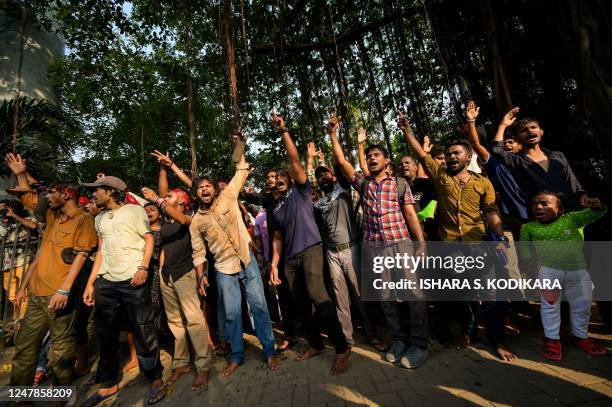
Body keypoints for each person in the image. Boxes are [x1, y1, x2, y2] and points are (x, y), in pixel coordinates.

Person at [399, 111, 517, 362]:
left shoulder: (483, 183)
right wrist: (407, 131)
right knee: (462, 294)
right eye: (449, 154)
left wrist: (498, 240)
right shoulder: (440, 178)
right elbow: (422, 154)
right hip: (451, 246)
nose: (452, 158)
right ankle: (469, 331)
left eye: (457, 154)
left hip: (480, 244)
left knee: (490, 294)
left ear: (469, 157)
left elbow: (491, 212)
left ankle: (497, 340)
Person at [329, 113, 429, 369]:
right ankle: (398, 340)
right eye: (369, 156)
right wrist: (333, 134)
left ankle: (418, 345)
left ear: (387, 161)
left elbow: (410, 214)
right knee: (385, 295)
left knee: (413, 294)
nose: (372, 159)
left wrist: (421, 242)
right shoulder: (363, 184)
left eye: (377, 156)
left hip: (401, 244)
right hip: (374, 248)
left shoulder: (399, 184)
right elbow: (341, 161)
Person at [189, 134, 280, 378]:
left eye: (207, 185)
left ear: (213, 189)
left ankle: (270, 350)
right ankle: (236, 356)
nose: (205, 188)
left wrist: (238, 145)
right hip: (223, 269)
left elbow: (241, 169)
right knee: (231, 314)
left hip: (247, 260)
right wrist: (200, 276)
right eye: (200, 187)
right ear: (196, 194)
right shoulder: (196, 222)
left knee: (259, 306)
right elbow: (198, 252)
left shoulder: (228, 195)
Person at [6, 154, 98, 388]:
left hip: (59, 296)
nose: (47, 197)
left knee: (60, 352)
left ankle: (59, 395)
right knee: (25, 348)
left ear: (66, 195)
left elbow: (81, 256)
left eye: (52, 194)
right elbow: (30, 198)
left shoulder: (84, 220)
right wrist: (20, 174)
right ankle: (21, 398)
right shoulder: (52, 216)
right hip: (37, 296)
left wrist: (64, 291)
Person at [269, 113, 350, 375]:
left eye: (284, 176)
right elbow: (278, 237)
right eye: (275, 177)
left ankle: (341, 349)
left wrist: (284, 132)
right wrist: (274, 263)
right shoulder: (275, 207)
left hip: (312, 249)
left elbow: (294, 160)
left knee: (319, 296)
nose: (280, 178)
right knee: (300, 305)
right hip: (290, 260)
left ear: (291, 179)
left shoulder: (301, 191)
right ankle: (316, 344)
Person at [82, 175, 165, 405]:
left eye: (97, 190)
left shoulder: (134, 211)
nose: (93, 194)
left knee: (143, 330)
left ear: (110, 191)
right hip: (106, 282)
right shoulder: (99, 218)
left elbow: (149, 239)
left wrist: (143, 267)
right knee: (105, 334)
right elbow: (101, 251)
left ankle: (155, 378)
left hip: (133, 279)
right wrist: (91, 282)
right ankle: (109, 384)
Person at [142, 164, 211, 391]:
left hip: (185, 272)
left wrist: (158, 199)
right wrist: (162, 169)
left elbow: (180, 218)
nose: (164, 197)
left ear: (181, 201)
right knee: (175, 322)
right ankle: (181, 363)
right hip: (166, 275)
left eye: (170, 196)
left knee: (193, 319)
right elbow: (162, 196)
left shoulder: (190, 217)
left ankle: (202, 366)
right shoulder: (164, 222)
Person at [520, 192, 608, 360]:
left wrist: (597, 206)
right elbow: (525, 250)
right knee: (550, 307)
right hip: (549, 273)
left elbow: (597, 212)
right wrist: (528, 269)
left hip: (579, 273)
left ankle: (581, 337)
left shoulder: (573, 219)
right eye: (535, 204)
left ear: (560, 209)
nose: (538, 207)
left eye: (545, 203)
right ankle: (552, 340)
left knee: (582, 307)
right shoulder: (528, 228)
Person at [312, 156, 384, 352]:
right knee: (340, 299)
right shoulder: (319, 204)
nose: (323, 177)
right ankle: (347, 340)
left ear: (334, 176)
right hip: (332, 254)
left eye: (326, 173)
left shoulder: (342, 190)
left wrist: (325, 156)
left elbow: (342, 167)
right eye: (319, 176)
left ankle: (372, 334)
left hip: (351, 250)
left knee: (360, 295)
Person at [490, 109, 593, 212]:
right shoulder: (516, 160)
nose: (530, 131)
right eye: (524, 130)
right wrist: (503, 125)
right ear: (517, 139)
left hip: (571, 210)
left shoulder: (558, 156)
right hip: (541, 217)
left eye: (533, 127)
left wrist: (582, 195)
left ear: (541, 132)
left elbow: (572, 181)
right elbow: (497, 149)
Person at [241, 169, 297, 351]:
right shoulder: (266, 200)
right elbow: (241, 194)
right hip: (276, 256)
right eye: (268, 177)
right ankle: (290, 334)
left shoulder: (292, 195)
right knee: (284, 296)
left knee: (302, 292)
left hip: (298, 250)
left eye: (275, 177)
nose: (271, 179)